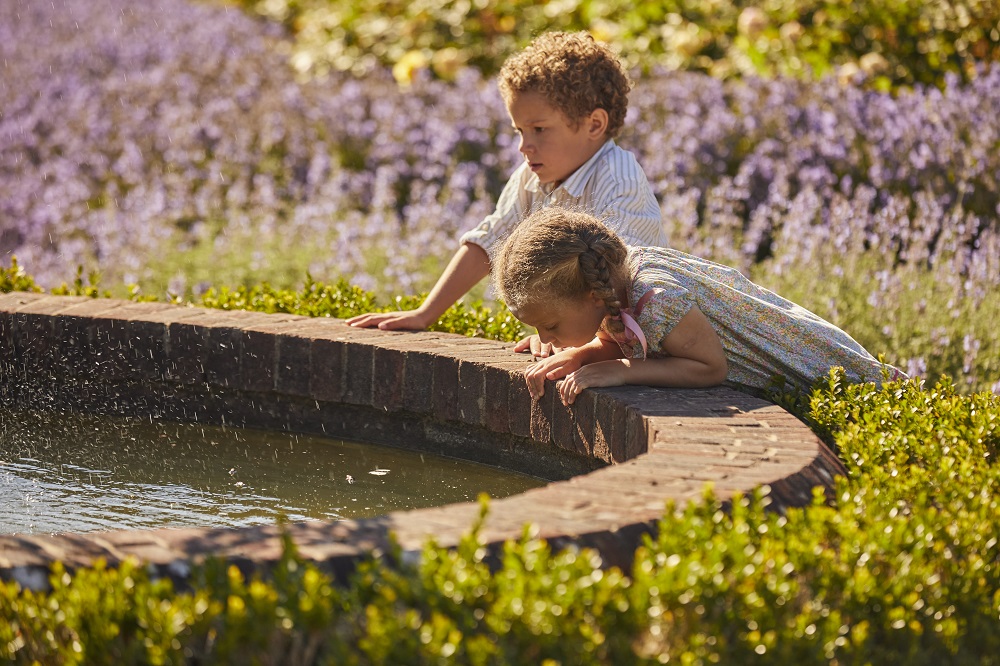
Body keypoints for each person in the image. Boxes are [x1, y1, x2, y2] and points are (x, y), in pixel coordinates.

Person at [346, 31, 669, 357]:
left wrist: (574, 347)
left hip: (644, 336)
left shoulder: (619, 181)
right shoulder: (533, 175)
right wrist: (425, 314)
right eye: (520, 130)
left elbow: (617, 283)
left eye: (539, 129)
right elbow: (491, 241)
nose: (523, 146)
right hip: (588, 331)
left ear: (594, 125)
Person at [493, 206, 905, 405]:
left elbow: (709, 367)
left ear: (589, 296)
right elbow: (628, 340)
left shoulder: (656, 299)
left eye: (548, 324)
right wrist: (582, 355)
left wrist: (619, 372)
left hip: (836, 382)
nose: (544, 338)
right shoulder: (610, 279)